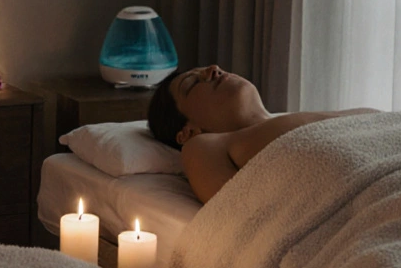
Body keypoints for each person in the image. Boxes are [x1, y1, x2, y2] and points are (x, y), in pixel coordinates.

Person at [148, 65, 378, 203]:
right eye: (192, 83)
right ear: (188, 132)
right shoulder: (204, 146)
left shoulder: (315, 115)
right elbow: (238, 215)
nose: (213, 69)